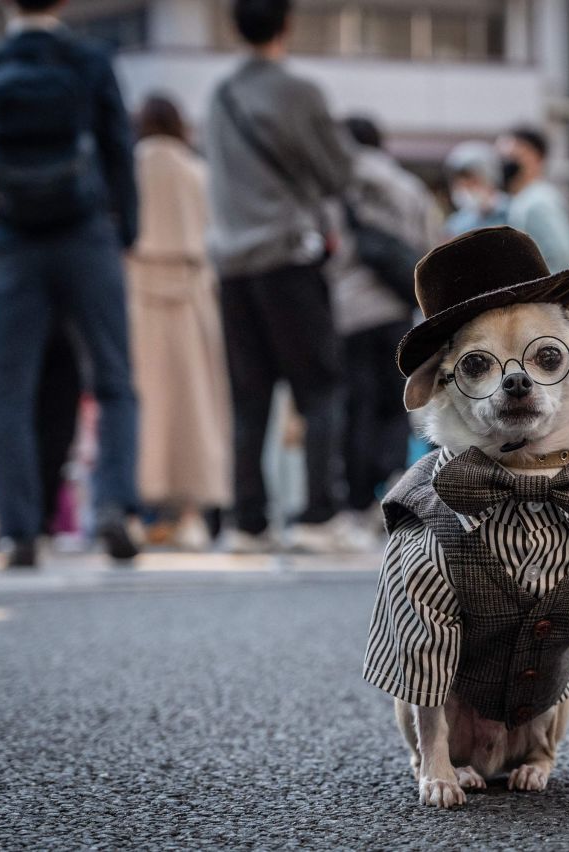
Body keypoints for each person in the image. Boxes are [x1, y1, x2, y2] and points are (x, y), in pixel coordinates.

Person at [0, 0, 140, 568]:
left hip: (13, 239)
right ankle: (112, 505)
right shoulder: (89, 61)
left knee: (7, 390)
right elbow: (117, 150)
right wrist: (124, 230)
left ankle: (19, 531)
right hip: (86, 235)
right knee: (113, 380)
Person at [206, 0, 354, 554]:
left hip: (232, 266)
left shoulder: (218, 98)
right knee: (320, 387)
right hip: (288, 256)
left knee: (249, 397)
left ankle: (248, 522)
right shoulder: (298, 92)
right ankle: (318, 514)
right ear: (287, 25)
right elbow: (339, 171)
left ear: (234, 27)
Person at [127, 95, 232, 550]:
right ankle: (190, 515)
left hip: (136, 294)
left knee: (140, 406)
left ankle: (133, 510)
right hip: (191, 293)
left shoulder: (128, 168)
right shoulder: (198, 172)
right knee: (194, 408)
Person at [327, 115, 439, 520]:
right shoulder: (408, 186)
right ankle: (390, 483)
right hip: (395, 310)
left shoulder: (336, 186)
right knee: (393, 406)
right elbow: (428, 249)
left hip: (348, 312)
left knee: (355, 406)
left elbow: (328, 249)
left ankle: (355, 501)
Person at [497, 127, 569, 272]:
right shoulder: (525, 199)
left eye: (513, 156)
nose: (506, 163)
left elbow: (563, 257)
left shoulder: (537, 202)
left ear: (535, 157)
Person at [443, 141, 508, 237]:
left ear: (490, 178)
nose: (465, 189)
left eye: (472, 182)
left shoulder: (513, 212)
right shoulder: (456, 223)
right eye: (461, 184)